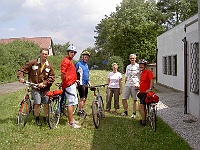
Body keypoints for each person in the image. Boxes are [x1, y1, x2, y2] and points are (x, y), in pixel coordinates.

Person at [17, 48, 55, 126]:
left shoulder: (49, 65)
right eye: (43, 54)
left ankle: (45, 118)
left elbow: (52, 77)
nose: (44, 55)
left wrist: (44, 83)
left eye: (46, 54)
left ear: (48, 55)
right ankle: (37, 118)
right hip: (35, 87)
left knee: (46, 103)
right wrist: (20, 77)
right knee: (37, 103)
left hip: (45, 88)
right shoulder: (33, 63)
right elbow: (21, 69)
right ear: (40, 54)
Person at [60, 44, 81, 128]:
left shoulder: (70, 61)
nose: (73, 54)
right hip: (69, 85)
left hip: (72, 84)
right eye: (71, 52)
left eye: (74, 53)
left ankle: (71, 119)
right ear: (68, 52)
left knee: (73, 102)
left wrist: (74, 79)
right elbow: (62, 73)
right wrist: (65, 82)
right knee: (71, 103)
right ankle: (71, 123)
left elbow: (70, 73)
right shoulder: (65, 61)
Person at [121, 54, 140, 118]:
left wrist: (139, 84)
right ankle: (125, 111)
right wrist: (125, 83)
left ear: (135, 59)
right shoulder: (128, 66)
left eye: (133, 58)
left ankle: (134, 113)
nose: (132, 59)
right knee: (124, 98)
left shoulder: (138, 66)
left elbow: (141, 76)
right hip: (128, 84)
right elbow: (126, 76)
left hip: (135, 84)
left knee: (135, 99)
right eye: (131, 58)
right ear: (129, 59)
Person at [137, 59, 154, 127]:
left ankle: (143, 121)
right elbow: (143, 82)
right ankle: (145, 118)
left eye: (142, 65)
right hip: (141, 92)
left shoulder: (148, 72)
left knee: (141, 107)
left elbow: (152, 80)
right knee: (144, 108)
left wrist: (150, 89)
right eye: (140, 65)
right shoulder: (142, 73)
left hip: (145, 93)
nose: (140, 66)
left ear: (145, 66)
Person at [75, 50, 91, 118]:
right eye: (85, 57)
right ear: (82, 57)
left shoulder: (86, 65)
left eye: (87, 57)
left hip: (86, 83)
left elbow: (87, 75)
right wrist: (75, 81)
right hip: (81, 83)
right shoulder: (79, 63)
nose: (86, 58)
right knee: (82, 98)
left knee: (85, 98)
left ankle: (82, 109)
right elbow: (74, 72)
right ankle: (79, 111)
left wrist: (89, 82)